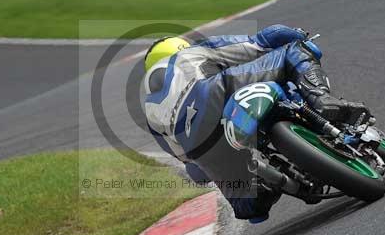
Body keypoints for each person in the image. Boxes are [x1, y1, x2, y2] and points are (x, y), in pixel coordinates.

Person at [141, 24, 370, 223]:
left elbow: (193, 169)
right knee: (292, 52)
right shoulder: (192, 52)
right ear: (180, 47)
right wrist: (297, 34)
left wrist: (216, 168)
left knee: (247, 205)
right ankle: (323, 101)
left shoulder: (150, 109)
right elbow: (262, 41)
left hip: (196, 143)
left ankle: (263, 190)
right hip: (213, 93)